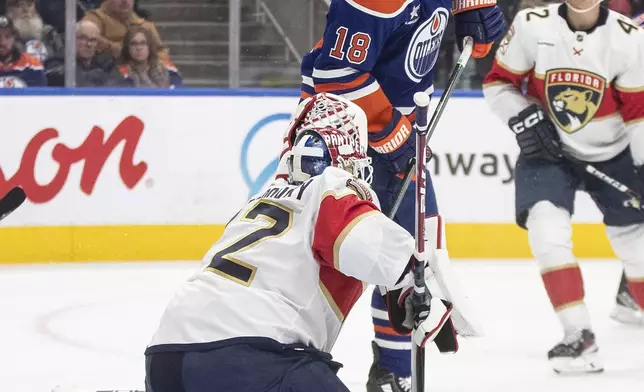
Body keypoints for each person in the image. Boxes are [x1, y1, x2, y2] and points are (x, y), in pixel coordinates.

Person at [145, 93, 457, 392]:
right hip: (250, 358)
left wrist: (402, 291)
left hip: (165, 357)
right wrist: (417, 281)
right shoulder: (331, 186)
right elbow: (363, 241)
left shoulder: (256, 203)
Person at [296, 1, 504, 390]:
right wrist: (390, 132)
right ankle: (289, 365)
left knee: (412, 261)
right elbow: (337, 72)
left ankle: (393, 373)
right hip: (343, 140)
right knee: (324, 267)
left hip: (400, 133)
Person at [483, 0, 644, 374]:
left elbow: (638, 115)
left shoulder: (629, 39)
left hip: (614, 152)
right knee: (546, 232)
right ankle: (579, 337)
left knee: (636, 247)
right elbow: (498, 83)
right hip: (549, 152)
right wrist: (522, 115)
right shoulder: (531, 24)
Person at [82, 0, 168, 61]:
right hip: (106, 74)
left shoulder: (146, 26)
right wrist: (123, 51)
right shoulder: (93, 19)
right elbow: (87, 39)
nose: (125, 1)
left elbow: (161, 52)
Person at [0, 15, 46, 87]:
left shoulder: (32, 64)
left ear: (14, 37)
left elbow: (41, 96)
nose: (2, 42)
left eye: (7, 36)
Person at [75, 20, 124, 87]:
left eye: (93, 40)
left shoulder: (107, 61)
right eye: (84, 38)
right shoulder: (60, 62)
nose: (89, 44)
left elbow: (125, 75)